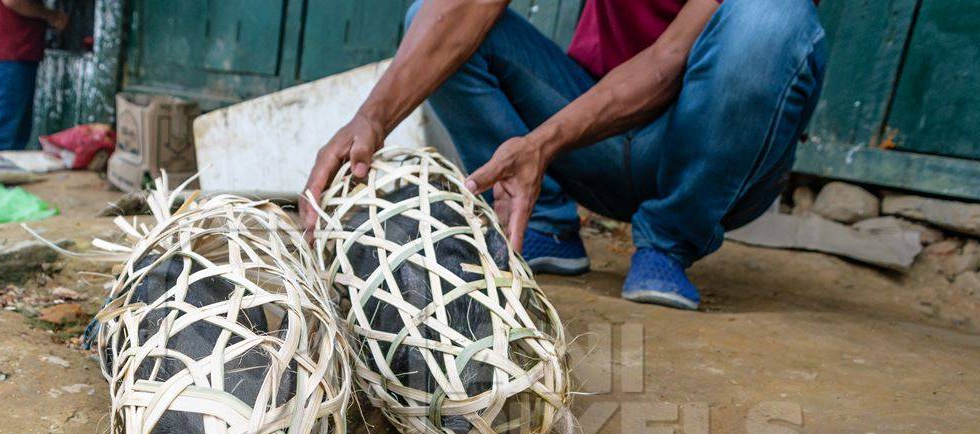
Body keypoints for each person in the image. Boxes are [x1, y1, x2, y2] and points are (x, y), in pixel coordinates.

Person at [302, 0, 826, 310]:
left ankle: (670, 240)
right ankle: (544, 223)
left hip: (708, 157)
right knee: (436, 23)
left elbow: (666, 65)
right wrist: (372, 118)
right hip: (595, 138)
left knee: (770, 18)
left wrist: (542, 143)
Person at [0, 0, 66, 150]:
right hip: (10, 57)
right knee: (1, 137)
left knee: (15, 135)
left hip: (14, 56)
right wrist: (51, 16)